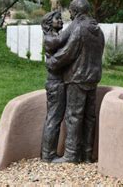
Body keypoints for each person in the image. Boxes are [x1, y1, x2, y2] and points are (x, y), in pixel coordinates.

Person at [47, 0, 105, 163]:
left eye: (71, 12)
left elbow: (68, 52)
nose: (70, 16)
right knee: (89, 117)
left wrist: (51, 62)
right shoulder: (97, 30)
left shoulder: (78, 28)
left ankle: (71, 155)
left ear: (76, 12)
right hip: (93, 78)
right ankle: (87, 154)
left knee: (74, 116)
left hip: (77, 78)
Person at [40, 11, 68, 162]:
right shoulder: (51, 39)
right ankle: (49, 155)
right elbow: (65, 50)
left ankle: (45, 153)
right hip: (55, 83)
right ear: (49, 23)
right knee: (54, 119)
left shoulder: (54, 37)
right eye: (58, 19)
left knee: (53, 118)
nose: (61, 21)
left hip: (57, 82)